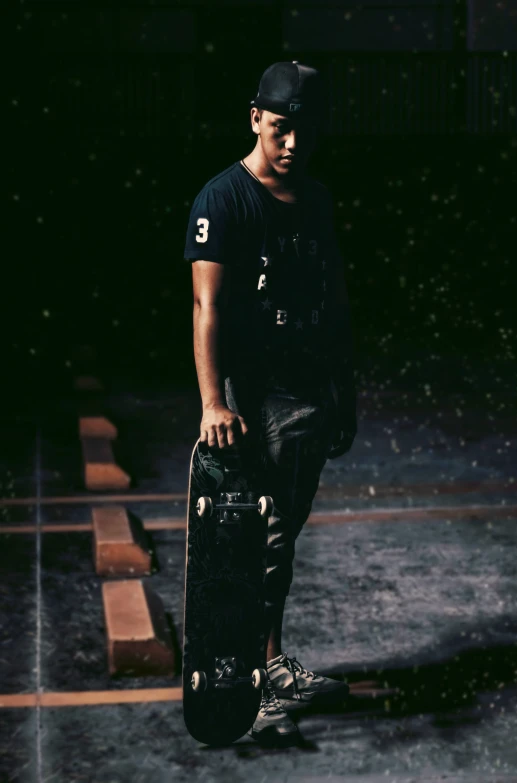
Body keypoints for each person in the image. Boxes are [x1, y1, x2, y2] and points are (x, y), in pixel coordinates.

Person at [183, 61, 357, 746]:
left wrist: (348, 390)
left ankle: (271, 665)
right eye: (281, 128)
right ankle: (248, 690)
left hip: (312, 392)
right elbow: (208, 305)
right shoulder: (223, 200)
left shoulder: (315, 199)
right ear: (255, 117)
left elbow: (336, 298)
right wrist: (212, 402)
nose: (292, 144)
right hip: (260, 400)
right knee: (262, 543)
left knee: (281, 542)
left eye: (304, 133)